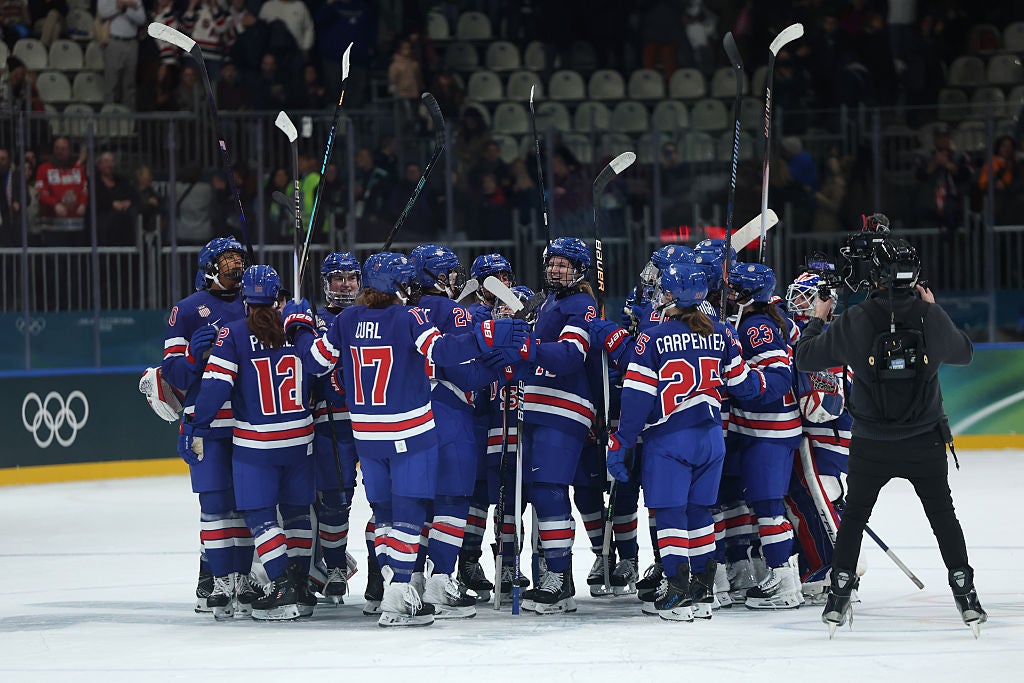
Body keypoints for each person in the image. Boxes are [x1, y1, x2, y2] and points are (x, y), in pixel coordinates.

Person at [285, 251, 528, 627]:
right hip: (410, 432)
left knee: (385, 514)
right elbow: (445, 351)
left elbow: (314, 361)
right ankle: (400, 591)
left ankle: (392, 587)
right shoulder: (408, 316)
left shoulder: (347, 319)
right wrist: (489, 334)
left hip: (366, 435)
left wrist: (298, 326)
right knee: (414, 513)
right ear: (397, 284)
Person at [794, 238, 985, 638]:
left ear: (875, 276)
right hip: (925, 442)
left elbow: (806, 356)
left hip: (870, 445)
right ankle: (965, 592)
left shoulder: (858, 318)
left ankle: (840, 592)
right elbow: (965, 352)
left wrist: (818, 317)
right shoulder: (929, 317)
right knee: (943, 518)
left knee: (855, 516)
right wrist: (933, 310)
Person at [607, 262, 766, 620]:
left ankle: (678, 592)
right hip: (712, 438)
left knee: (671, 515)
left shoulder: (652, 337)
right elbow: (745, 386)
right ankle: (703, 592)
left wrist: (622, 441)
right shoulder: (723, 333)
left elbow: (635, 397)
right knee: (700, 514)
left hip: (669, 438)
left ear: (669, 295)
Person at [180, 264, 315, 622]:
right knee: (298, 512)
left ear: (245, 297)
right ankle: (301, 587)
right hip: (301, 438)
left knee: (259, 517)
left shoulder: (234, 334)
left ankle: (282, 585)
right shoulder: (297, 329)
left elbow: (215, 388)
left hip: (257, 444)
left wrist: (195, 423)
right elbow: (320, 371)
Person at [162, 237, 258, 619]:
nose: (237, 265)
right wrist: (190, 355)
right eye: (229, 259)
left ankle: (245, 577)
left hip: (250, 418)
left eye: (240, 257)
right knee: (215, 505)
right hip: (206, 423)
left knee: (251, 504)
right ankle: (218, 580)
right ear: (209, 266)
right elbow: (174, 374)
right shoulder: (185, 310)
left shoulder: (256, 302)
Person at [514, 237, 598, 614]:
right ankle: (554, 573)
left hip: (564, 408)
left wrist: (524, 348)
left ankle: (559, 578)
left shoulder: (581, 304)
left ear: (579, 269)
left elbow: (570, 355)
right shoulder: (551, 301)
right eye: (552, 262)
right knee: (538, 488)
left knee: (548, 488)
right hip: (539, 406)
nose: (556, 269)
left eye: (565, 264)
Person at [724, 261, 804, 609]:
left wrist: (742, 380)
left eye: (735, 289)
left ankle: (784, 582)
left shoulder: (758, 326)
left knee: (769, 506)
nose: (729, 294)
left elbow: (778, 378)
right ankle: (774, 573)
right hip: (760, 429)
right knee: (756, 502)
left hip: (770, 430)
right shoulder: (758, 319)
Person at [309, 252, 362, 605]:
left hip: (374, 421)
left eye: (352, 277)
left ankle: (382, 578)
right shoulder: (315, 320)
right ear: (326, 282)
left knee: (383, 500)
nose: (346, 284)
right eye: (338, 277)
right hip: (331, 420)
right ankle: (332, 567)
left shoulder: (371, 316)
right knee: (335, 500)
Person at [98, 0, 146, 109]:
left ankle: (129, 123)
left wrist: (124, 7)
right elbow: (103, 13)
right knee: (111, 84)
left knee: (129, 85)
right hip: (113, 42)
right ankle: (108, 121)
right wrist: (124, 6)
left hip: (132, 43)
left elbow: (141, 19)